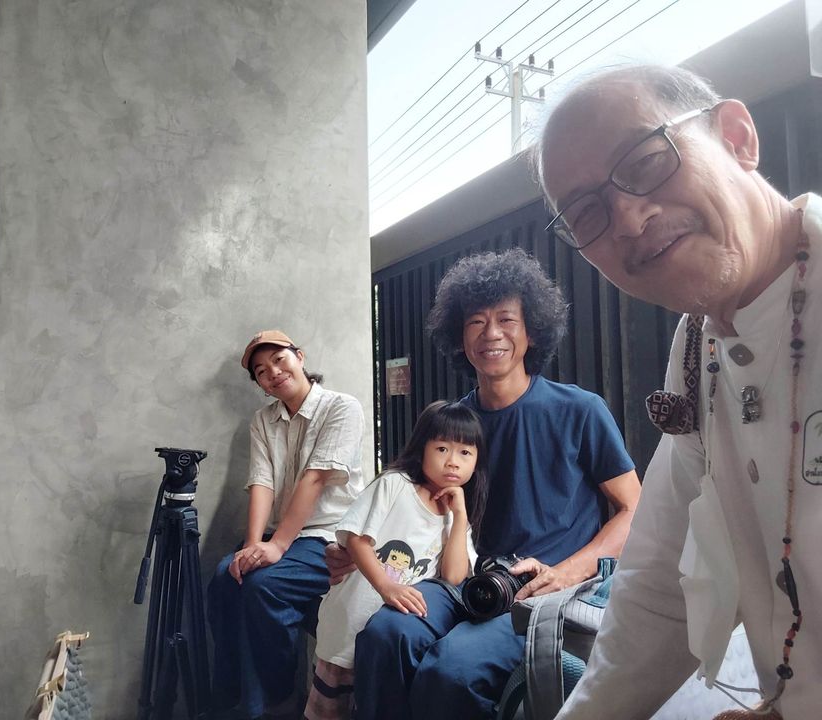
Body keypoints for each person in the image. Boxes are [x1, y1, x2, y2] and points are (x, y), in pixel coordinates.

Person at [537, 64, 821, 719]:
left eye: (644, 162)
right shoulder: (698, 350)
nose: (628, 218)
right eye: (587, 213)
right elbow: (660, 586)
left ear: (737, 137)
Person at [344, 249, 642, 719]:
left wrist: (568, 572)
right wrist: (350, 548)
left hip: (540, 589)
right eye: (476, 322)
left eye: (506, 319)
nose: (491, 334)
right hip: (459, 578)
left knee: (453, 671)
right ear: (459, 337)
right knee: (384, 636)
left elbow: (633, 508)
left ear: (531, 331)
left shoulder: (579, 410)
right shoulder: (453, 426)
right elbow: (410, 499)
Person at [207, 330, 365, 720]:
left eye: (279, 360)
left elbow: (316, 477)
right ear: (260, 385)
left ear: (299, 357)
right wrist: (251, 546)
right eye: (262, 371)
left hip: (329, 535)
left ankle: (278, 700)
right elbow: (262, 482)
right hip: (284, 536)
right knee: (226, 578)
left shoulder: (342, 407)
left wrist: (276, 546)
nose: (274, 373)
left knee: (264, 585)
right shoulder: (263, 421)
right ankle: (236, 701)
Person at [304, 400, 488, 720]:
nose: (452, 462)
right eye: (442, 449)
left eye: (465, 453)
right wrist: (387, 586)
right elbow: (357, 539)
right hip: (350, 623)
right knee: (330, 709)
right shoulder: (395, 485)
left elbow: (454, 577)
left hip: (388, 643)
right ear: (422, 448)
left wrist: (459, 517)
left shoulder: (455, 517)